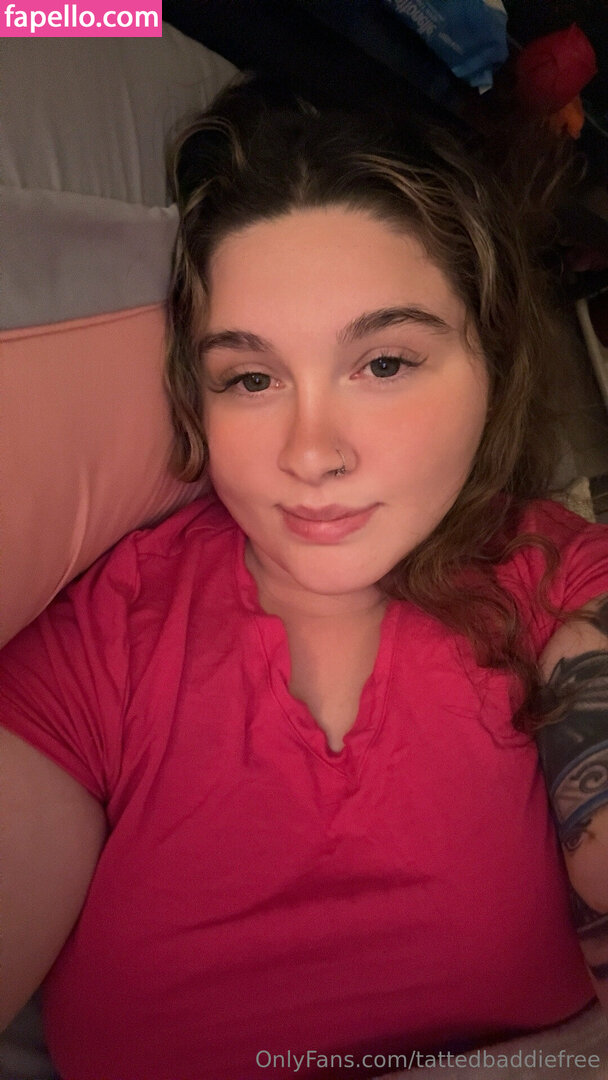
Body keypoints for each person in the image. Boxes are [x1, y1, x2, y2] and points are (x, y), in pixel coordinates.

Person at [1, 74, 608, 1080]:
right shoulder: (102, 637)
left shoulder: (556, 575)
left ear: (491, 360)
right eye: (251, 378)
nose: (311, 452)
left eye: (385, 363)